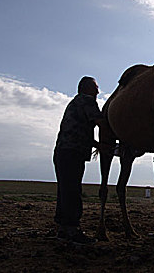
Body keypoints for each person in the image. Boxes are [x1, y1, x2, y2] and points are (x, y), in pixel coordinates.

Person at [53, 76, 108, 245]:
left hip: (63, 152)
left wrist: (97, 144)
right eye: (96, 87)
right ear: (87, 88)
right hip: (72, 153)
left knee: (65, 190)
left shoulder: (75, 103)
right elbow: (101, 123)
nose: (98, 91)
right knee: (72, 191)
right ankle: (72, 230)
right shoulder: (87, 101)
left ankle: (63, 229)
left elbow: (78, 130)